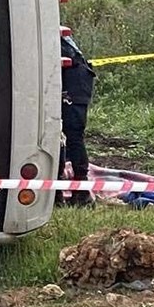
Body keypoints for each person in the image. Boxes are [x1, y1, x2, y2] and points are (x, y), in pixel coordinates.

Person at [59, 34, 96, 206]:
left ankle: (82, 192)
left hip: (74, 84)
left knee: (73, 135)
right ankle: (57, 188)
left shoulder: (50, 34)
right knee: (55, 134)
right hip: (69, 80)